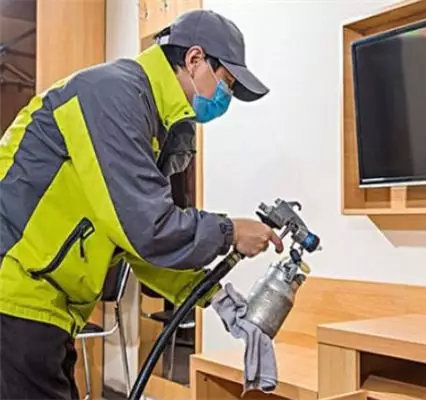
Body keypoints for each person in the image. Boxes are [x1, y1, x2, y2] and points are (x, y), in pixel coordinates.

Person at [0, 10, 283, 399]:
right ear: (195, 59)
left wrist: (214, 296)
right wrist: (229, 231)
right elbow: (148, 227)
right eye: (227, 83)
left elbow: (137, 243)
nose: (226, 98)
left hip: (43, 304)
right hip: (15, 291)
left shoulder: (152, 119)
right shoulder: (113, 95)